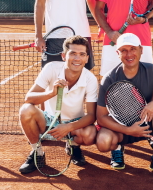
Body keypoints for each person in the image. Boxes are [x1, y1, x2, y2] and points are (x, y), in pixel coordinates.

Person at [96, 33, 153, 177]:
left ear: (141, 50)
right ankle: (117, 148)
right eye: (123, 50)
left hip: (146, 123)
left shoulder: (152, 71)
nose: (129, 54)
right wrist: (128, 130)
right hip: (121, 128)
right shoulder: (109, 78)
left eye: (133, 49)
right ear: (118, 53)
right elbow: (101, 117)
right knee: (103, 142)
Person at [18, 35, 98, 174]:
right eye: (72, 53)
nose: (77, 58)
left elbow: (91, 115)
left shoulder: (90, 79)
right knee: (26, 110)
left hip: (74, 124)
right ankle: (38, 153)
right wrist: (51, 93)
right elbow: (29, 98)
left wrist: (68, 127)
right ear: (63, 56)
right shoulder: (51, 68)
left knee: (90, 134)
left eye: (82, 54)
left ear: (86, 58)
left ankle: (73, 145)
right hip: (49, 121)